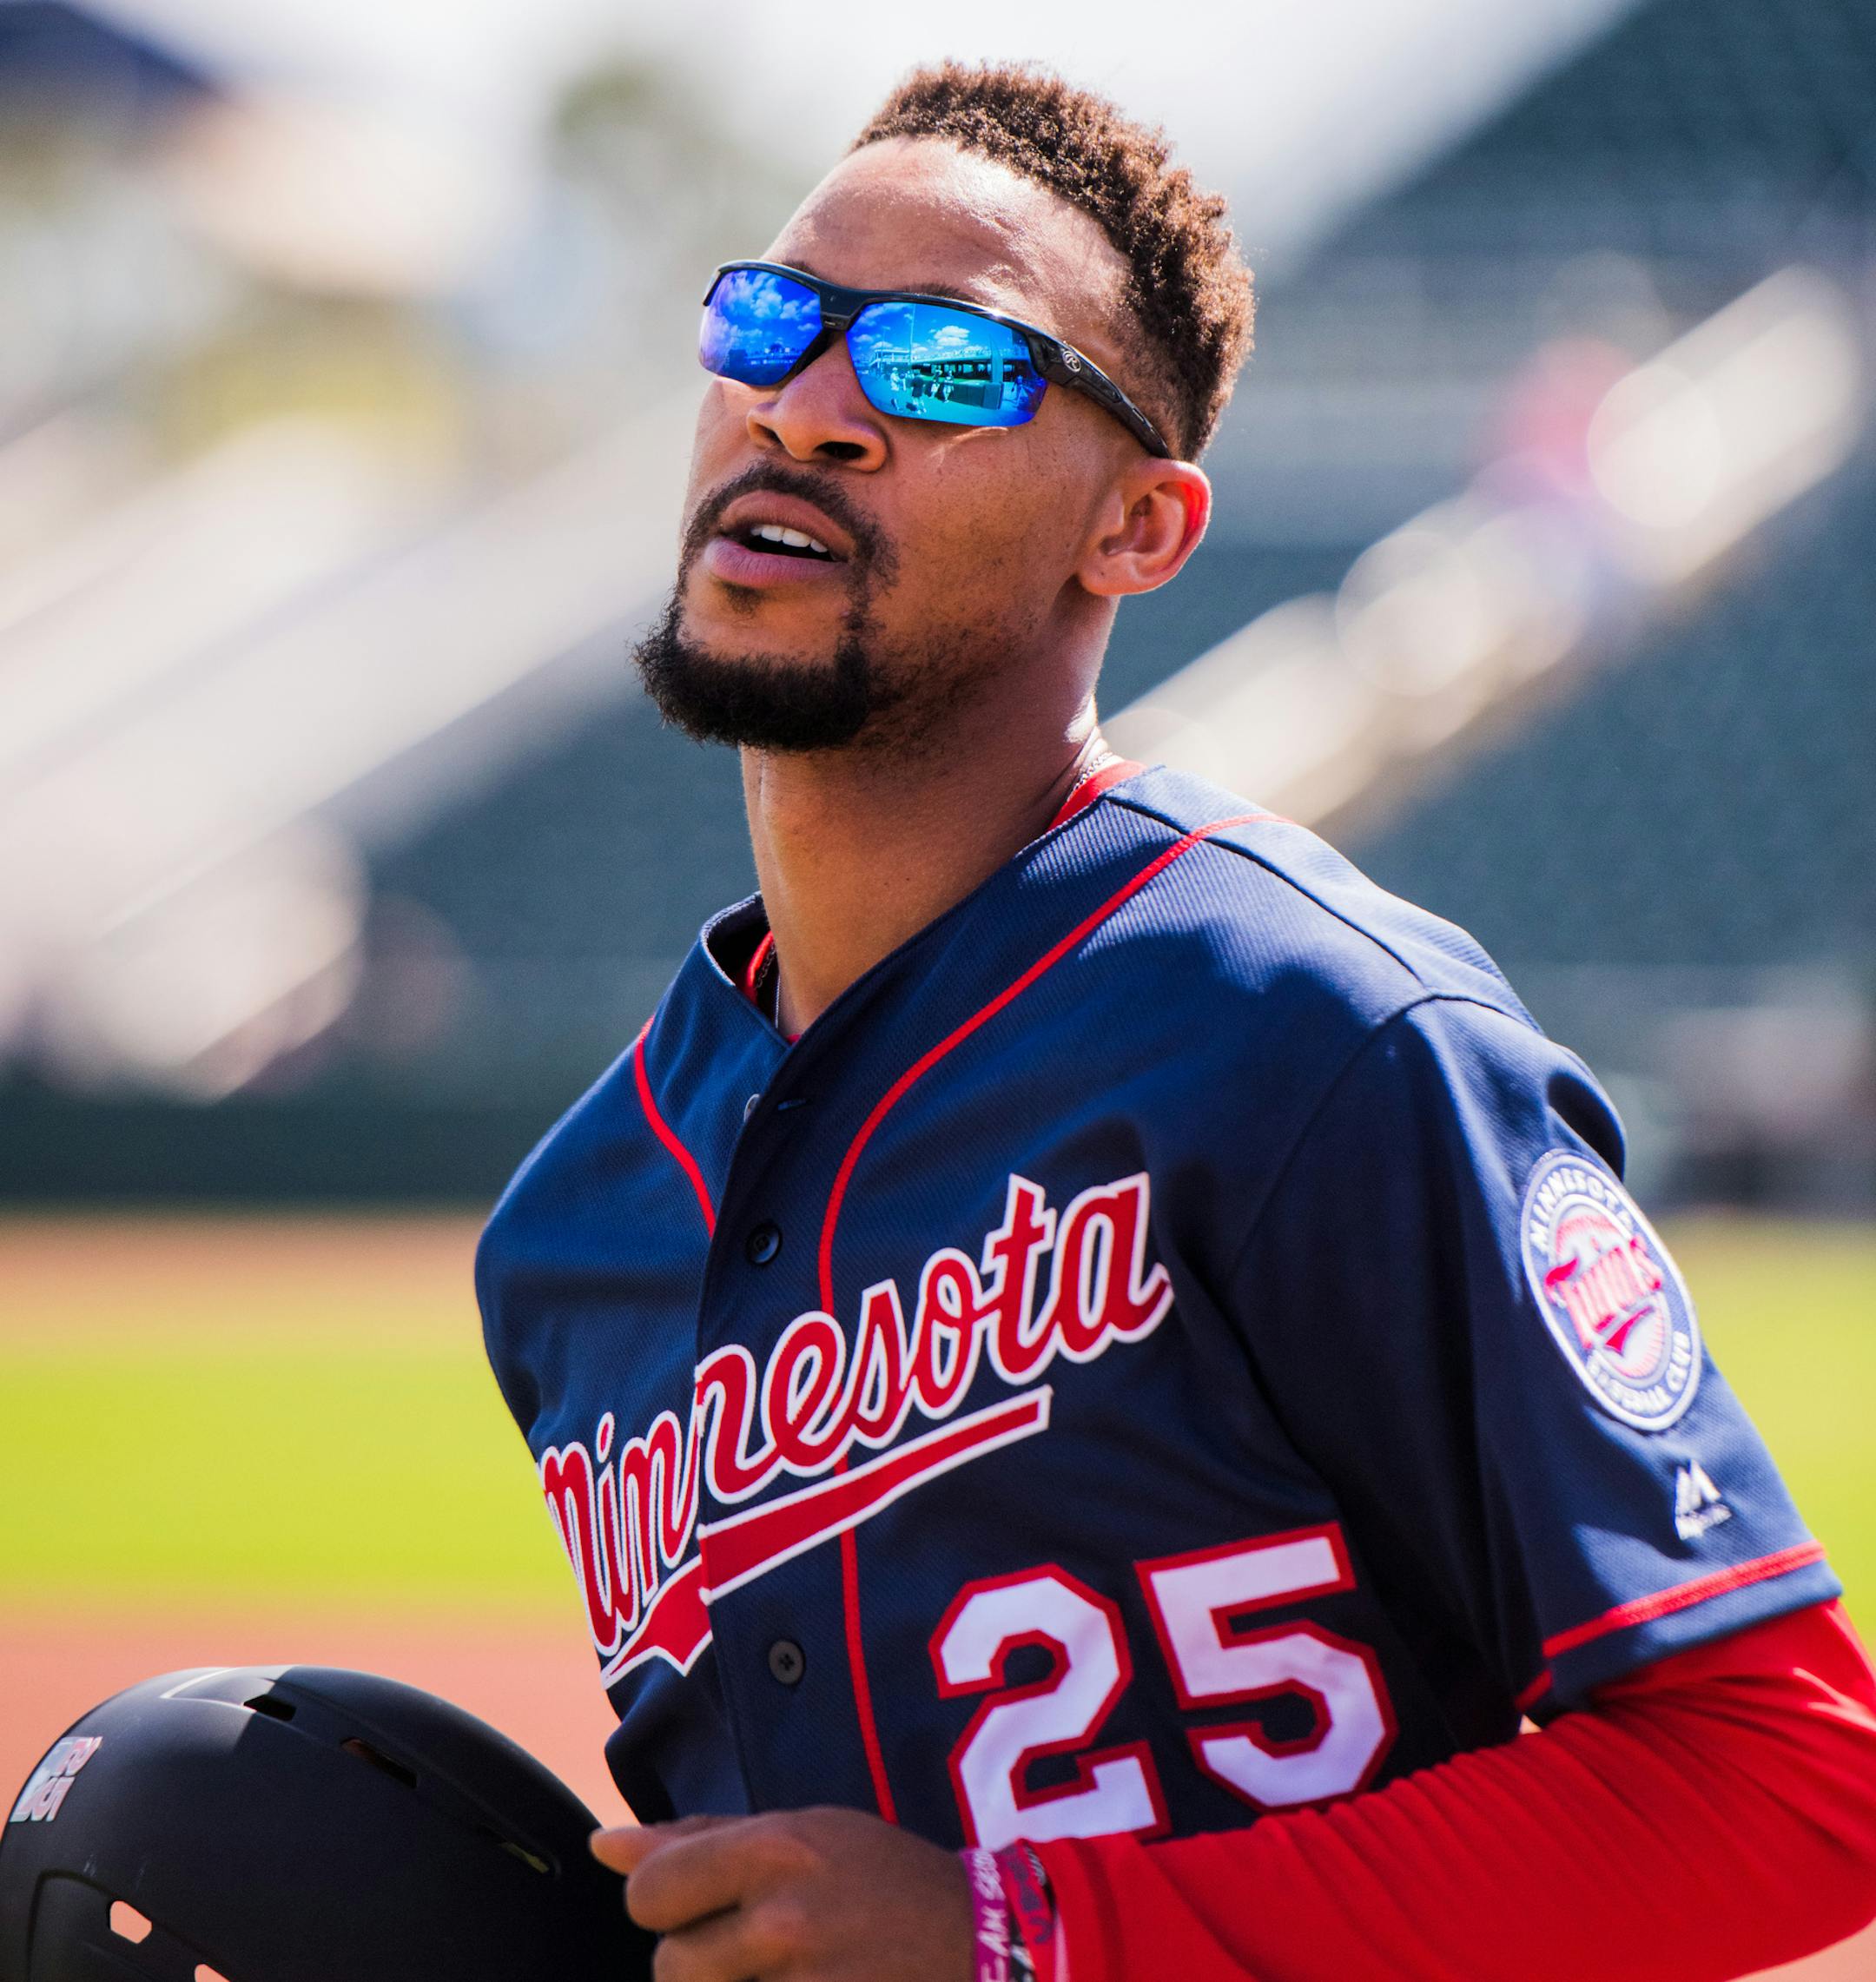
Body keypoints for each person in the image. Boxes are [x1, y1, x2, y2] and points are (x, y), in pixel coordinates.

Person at [476, 62, 1876, 1982]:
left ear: (1137, 528)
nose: (809, 407)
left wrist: (1024, 1939)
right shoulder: (572, 1236)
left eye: (948, 366)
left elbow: (1784, 1779)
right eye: (769, 319)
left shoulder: (1322, 1035)